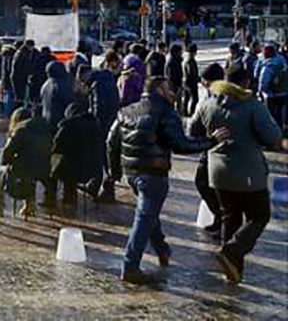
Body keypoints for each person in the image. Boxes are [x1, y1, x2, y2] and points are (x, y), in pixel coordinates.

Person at [107, 76, 222, 285]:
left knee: (148, 214)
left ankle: (162, 250)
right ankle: (130, 266)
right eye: (169, 89)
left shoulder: (127, 110)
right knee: (144, 218)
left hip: (132, 173)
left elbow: (111, 141)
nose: (173, 93)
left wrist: (115, 172)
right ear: (160, 89)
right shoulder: (166, 112)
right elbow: (180, 144)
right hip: (154, 174)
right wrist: (211, 141)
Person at [186, 64, 282, 284]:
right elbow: (273, 136)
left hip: (217, 174)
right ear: (246, 82)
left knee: (231, 218)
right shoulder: (252, 105)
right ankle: (231, 251)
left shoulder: (208, 103)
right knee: (259, 216)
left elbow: (192, 132)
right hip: (248, 173)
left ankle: (233, 271)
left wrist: (213, 137)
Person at [190, 62, 227, 237]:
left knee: (203, 182)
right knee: (212, 186)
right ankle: (220, 219)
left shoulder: (211, 100)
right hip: (218, 148)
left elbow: (193, 129)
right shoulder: (232, 96)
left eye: (204, 81)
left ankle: (222, 219)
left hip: (213, 148)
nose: (202, 84)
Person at [0, 107, 52, 219]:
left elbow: (7, 153)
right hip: (44, 169)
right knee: (31, 173)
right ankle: (29, 205)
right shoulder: (45, 128)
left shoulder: (20, 129)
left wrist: (6, 163)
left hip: (26, 170)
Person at [51, 103, 106, 205]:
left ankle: (61, 197)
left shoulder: (67, 125)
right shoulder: (95, 125)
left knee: (59, 163)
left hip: (73, 171)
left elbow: (56, 147)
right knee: (73, 161)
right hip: (92, 171)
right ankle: (71, 195)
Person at [88, 50, 121, 202]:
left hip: (102, 124)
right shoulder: (110, 81)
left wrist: (94, 121)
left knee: (100, 156)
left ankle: (97, 187)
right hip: (112, 122)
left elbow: (97, 106)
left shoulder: (98, 83)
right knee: (109, 156)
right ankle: (107, 188)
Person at [256, 43, 288, 131]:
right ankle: (282, 130)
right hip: (283, 93)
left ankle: (274, 135)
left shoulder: (267, 67)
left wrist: (260, 93)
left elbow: (262, 83)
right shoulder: (282, 61)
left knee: (271, 118)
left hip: (270, 95)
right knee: (281, 115)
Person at [41, 61, 74, 134]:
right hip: (59, 119)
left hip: (46, 118)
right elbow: (69, 102)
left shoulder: (45, 84)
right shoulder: (61, 84)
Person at [11, 40, 35, 107]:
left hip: (17, 77)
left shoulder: (20, 52)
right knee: (20, 97)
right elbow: (22, 67)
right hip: (19, 78)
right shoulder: (23, 53)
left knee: (19, 97)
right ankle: (18, 112)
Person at [183, 43, 201, 116]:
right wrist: (198, 79)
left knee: (187, 98)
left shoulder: (189, 60)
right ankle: (191, 112)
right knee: (195, 99)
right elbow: (191, 73)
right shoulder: (190, 61)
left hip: (187, 82)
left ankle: (186, 112)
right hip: (191, 83)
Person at [165, 44, 184, 109]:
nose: (181, 53)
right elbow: (170, 77)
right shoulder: (172, 62)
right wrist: (176, 88)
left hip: (177, 86)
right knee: (173, 104)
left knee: (179, 103)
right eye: (180, 51)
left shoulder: (177, 61)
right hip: (174, 87)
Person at [1, 45, 16, 115]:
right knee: (9, 98)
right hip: (9, 82)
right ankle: (8, 113)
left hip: (5, 81)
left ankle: (5, 113)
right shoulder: (10, 59)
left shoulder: (5, 59)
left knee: (6, 99)